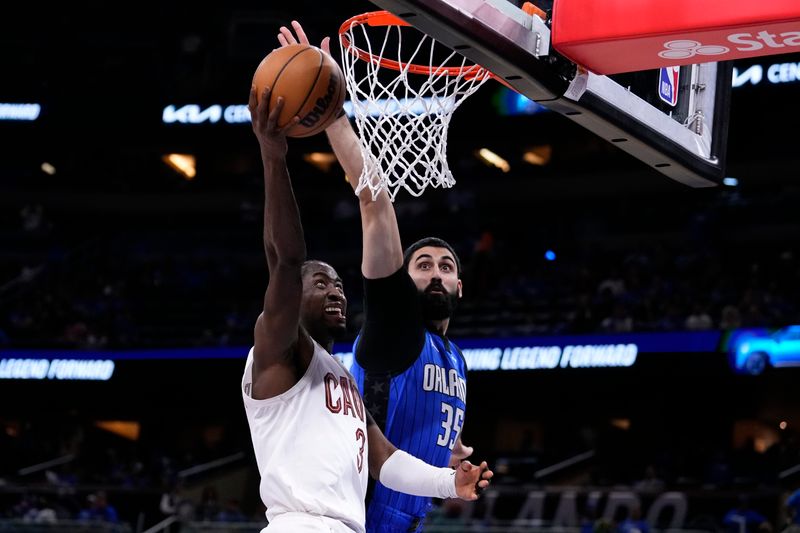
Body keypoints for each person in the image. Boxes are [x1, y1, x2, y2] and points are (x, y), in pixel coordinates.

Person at [241, 73, 492, 533]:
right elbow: (297, 254)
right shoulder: (387, 333)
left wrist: (447, 477)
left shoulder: (358, 376)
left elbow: (387, 460)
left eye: (446, 266)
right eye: (423, 264)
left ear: (461, 286)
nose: (337, 290)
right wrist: (333, 115)